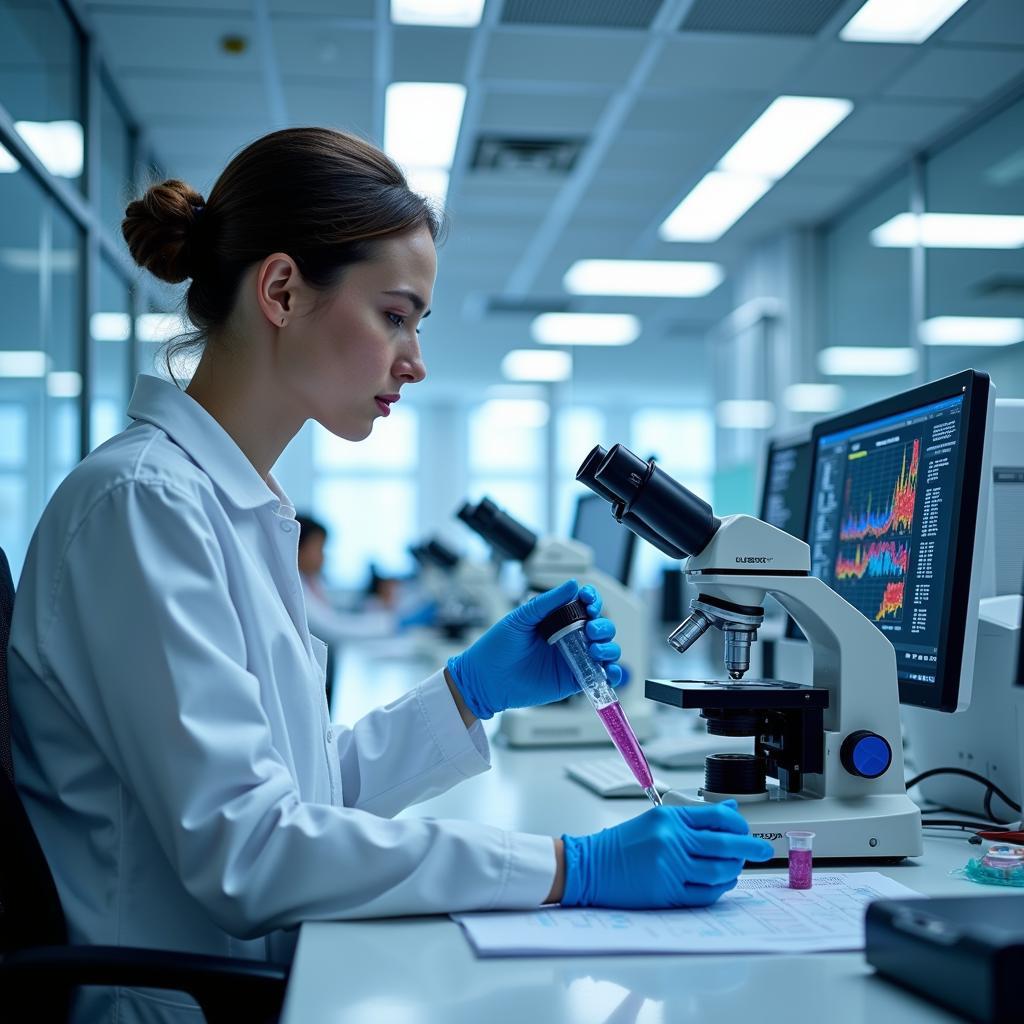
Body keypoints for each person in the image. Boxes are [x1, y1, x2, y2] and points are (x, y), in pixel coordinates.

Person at [8, 127, 772, 1024]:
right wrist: (573, 867)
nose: (413, 361)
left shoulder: (228, 505)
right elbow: (250, 853)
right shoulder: (143, 506)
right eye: (394, 316)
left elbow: (297, 794)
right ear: (283, 291)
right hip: (182, 1005)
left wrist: (464, 694)